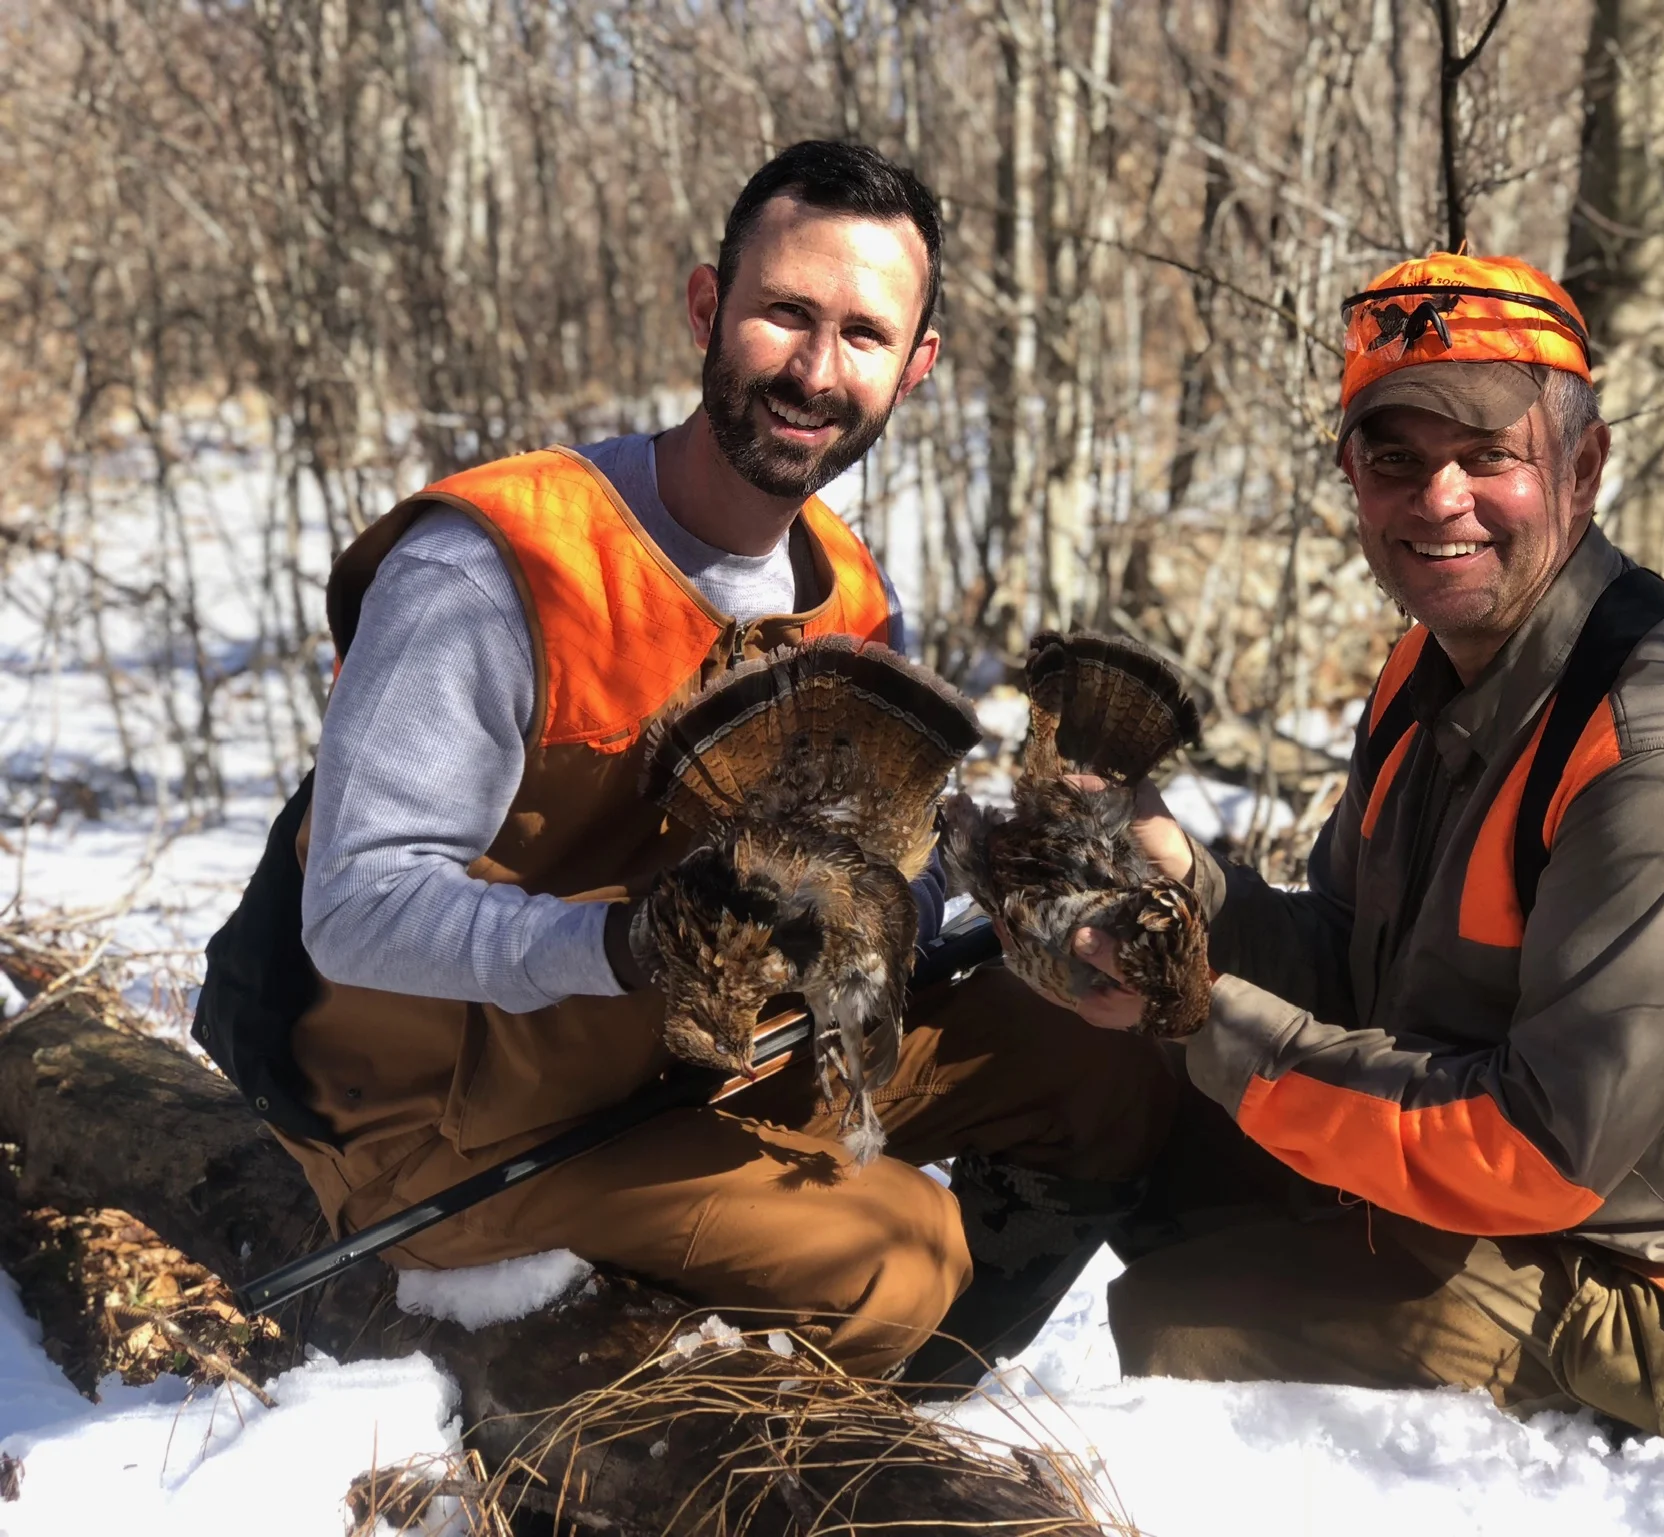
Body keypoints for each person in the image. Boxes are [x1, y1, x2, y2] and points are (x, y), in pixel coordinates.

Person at [212, 140, 1174, 1379]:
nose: (817, 371)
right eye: (784, 313)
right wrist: (626, 947)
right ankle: (681, 1432)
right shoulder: (499, 568)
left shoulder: (851, 593)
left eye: (865, 335)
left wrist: (1018, 887)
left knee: (1105, 1060)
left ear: (917, 366)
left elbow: (874, 875)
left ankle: (916, 1421)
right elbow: (354, 908)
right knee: (903, 1251)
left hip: (711, 1059)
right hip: (449, 1126)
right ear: (707, 306)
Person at [1057, 253, 1664, 1442]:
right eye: (1394, 459)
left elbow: (1536, 1148)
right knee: (1114, 1117)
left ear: (1583, 466)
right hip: (1555, 1188)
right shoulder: (1436, 663)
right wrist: (1189, 887)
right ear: (1350, 474)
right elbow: (1361, 962)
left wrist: (1200, 1016)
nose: (1437, 500)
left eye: (1487, 457)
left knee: (1167, 1323)